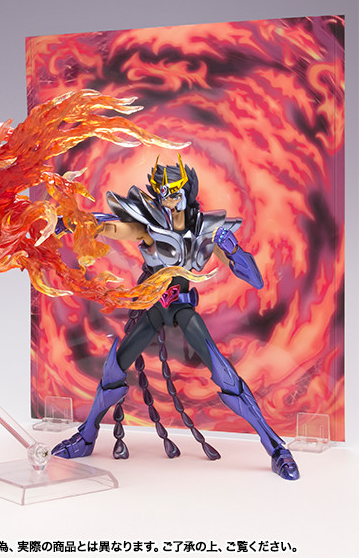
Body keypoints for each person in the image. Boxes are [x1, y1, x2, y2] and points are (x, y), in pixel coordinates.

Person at [52, 156, 299, 480]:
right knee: (114, 368)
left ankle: (276, 448)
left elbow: (255, 279)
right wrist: (76, 222)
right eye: (161, 191)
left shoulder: (207, 231)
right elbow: (111, 225)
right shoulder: (150, 226)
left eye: (173, 190)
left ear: (186, 189)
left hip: (182, 308)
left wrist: (234, 251)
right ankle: (86, 437)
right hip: (154, 307)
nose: (166, 197)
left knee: (224, 373)